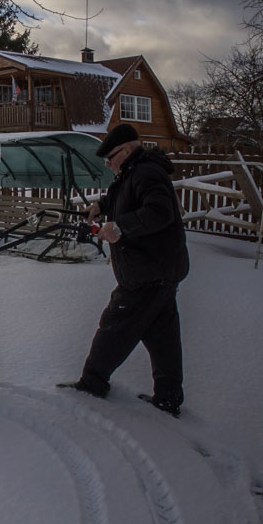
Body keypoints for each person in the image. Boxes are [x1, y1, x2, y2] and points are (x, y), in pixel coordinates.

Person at [60, 122, 189, 416]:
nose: (108, 164)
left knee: (114, 326)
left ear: (128, 150)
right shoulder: (134, 171)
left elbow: (158, 212)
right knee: (162, 336)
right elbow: (125, 198)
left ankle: (92, 384)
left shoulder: (145, 172)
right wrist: (101, 206)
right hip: (159, 271)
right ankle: (168, 398)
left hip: (147, 272)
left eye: (111, 157)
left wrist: (119, 227)